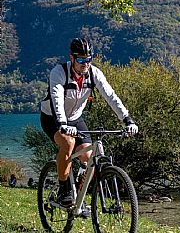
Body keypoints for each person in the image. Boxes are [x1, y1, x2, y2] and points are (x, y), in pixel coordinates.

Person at [40, 37, 138, 211]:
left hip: (76, 118)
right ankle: (64, 190)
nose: (85, 63)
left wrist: (127, 119)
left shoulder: (94, 74)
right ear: (72, 58)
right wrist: (62, 124)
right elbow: (56, 101)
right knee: (68, 143)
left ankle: (78, 195)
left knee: (90, 155)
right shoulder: (59, 72)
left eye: (88, 59)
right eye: (80, 59)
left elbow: (111, 97)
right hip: (53, 118)